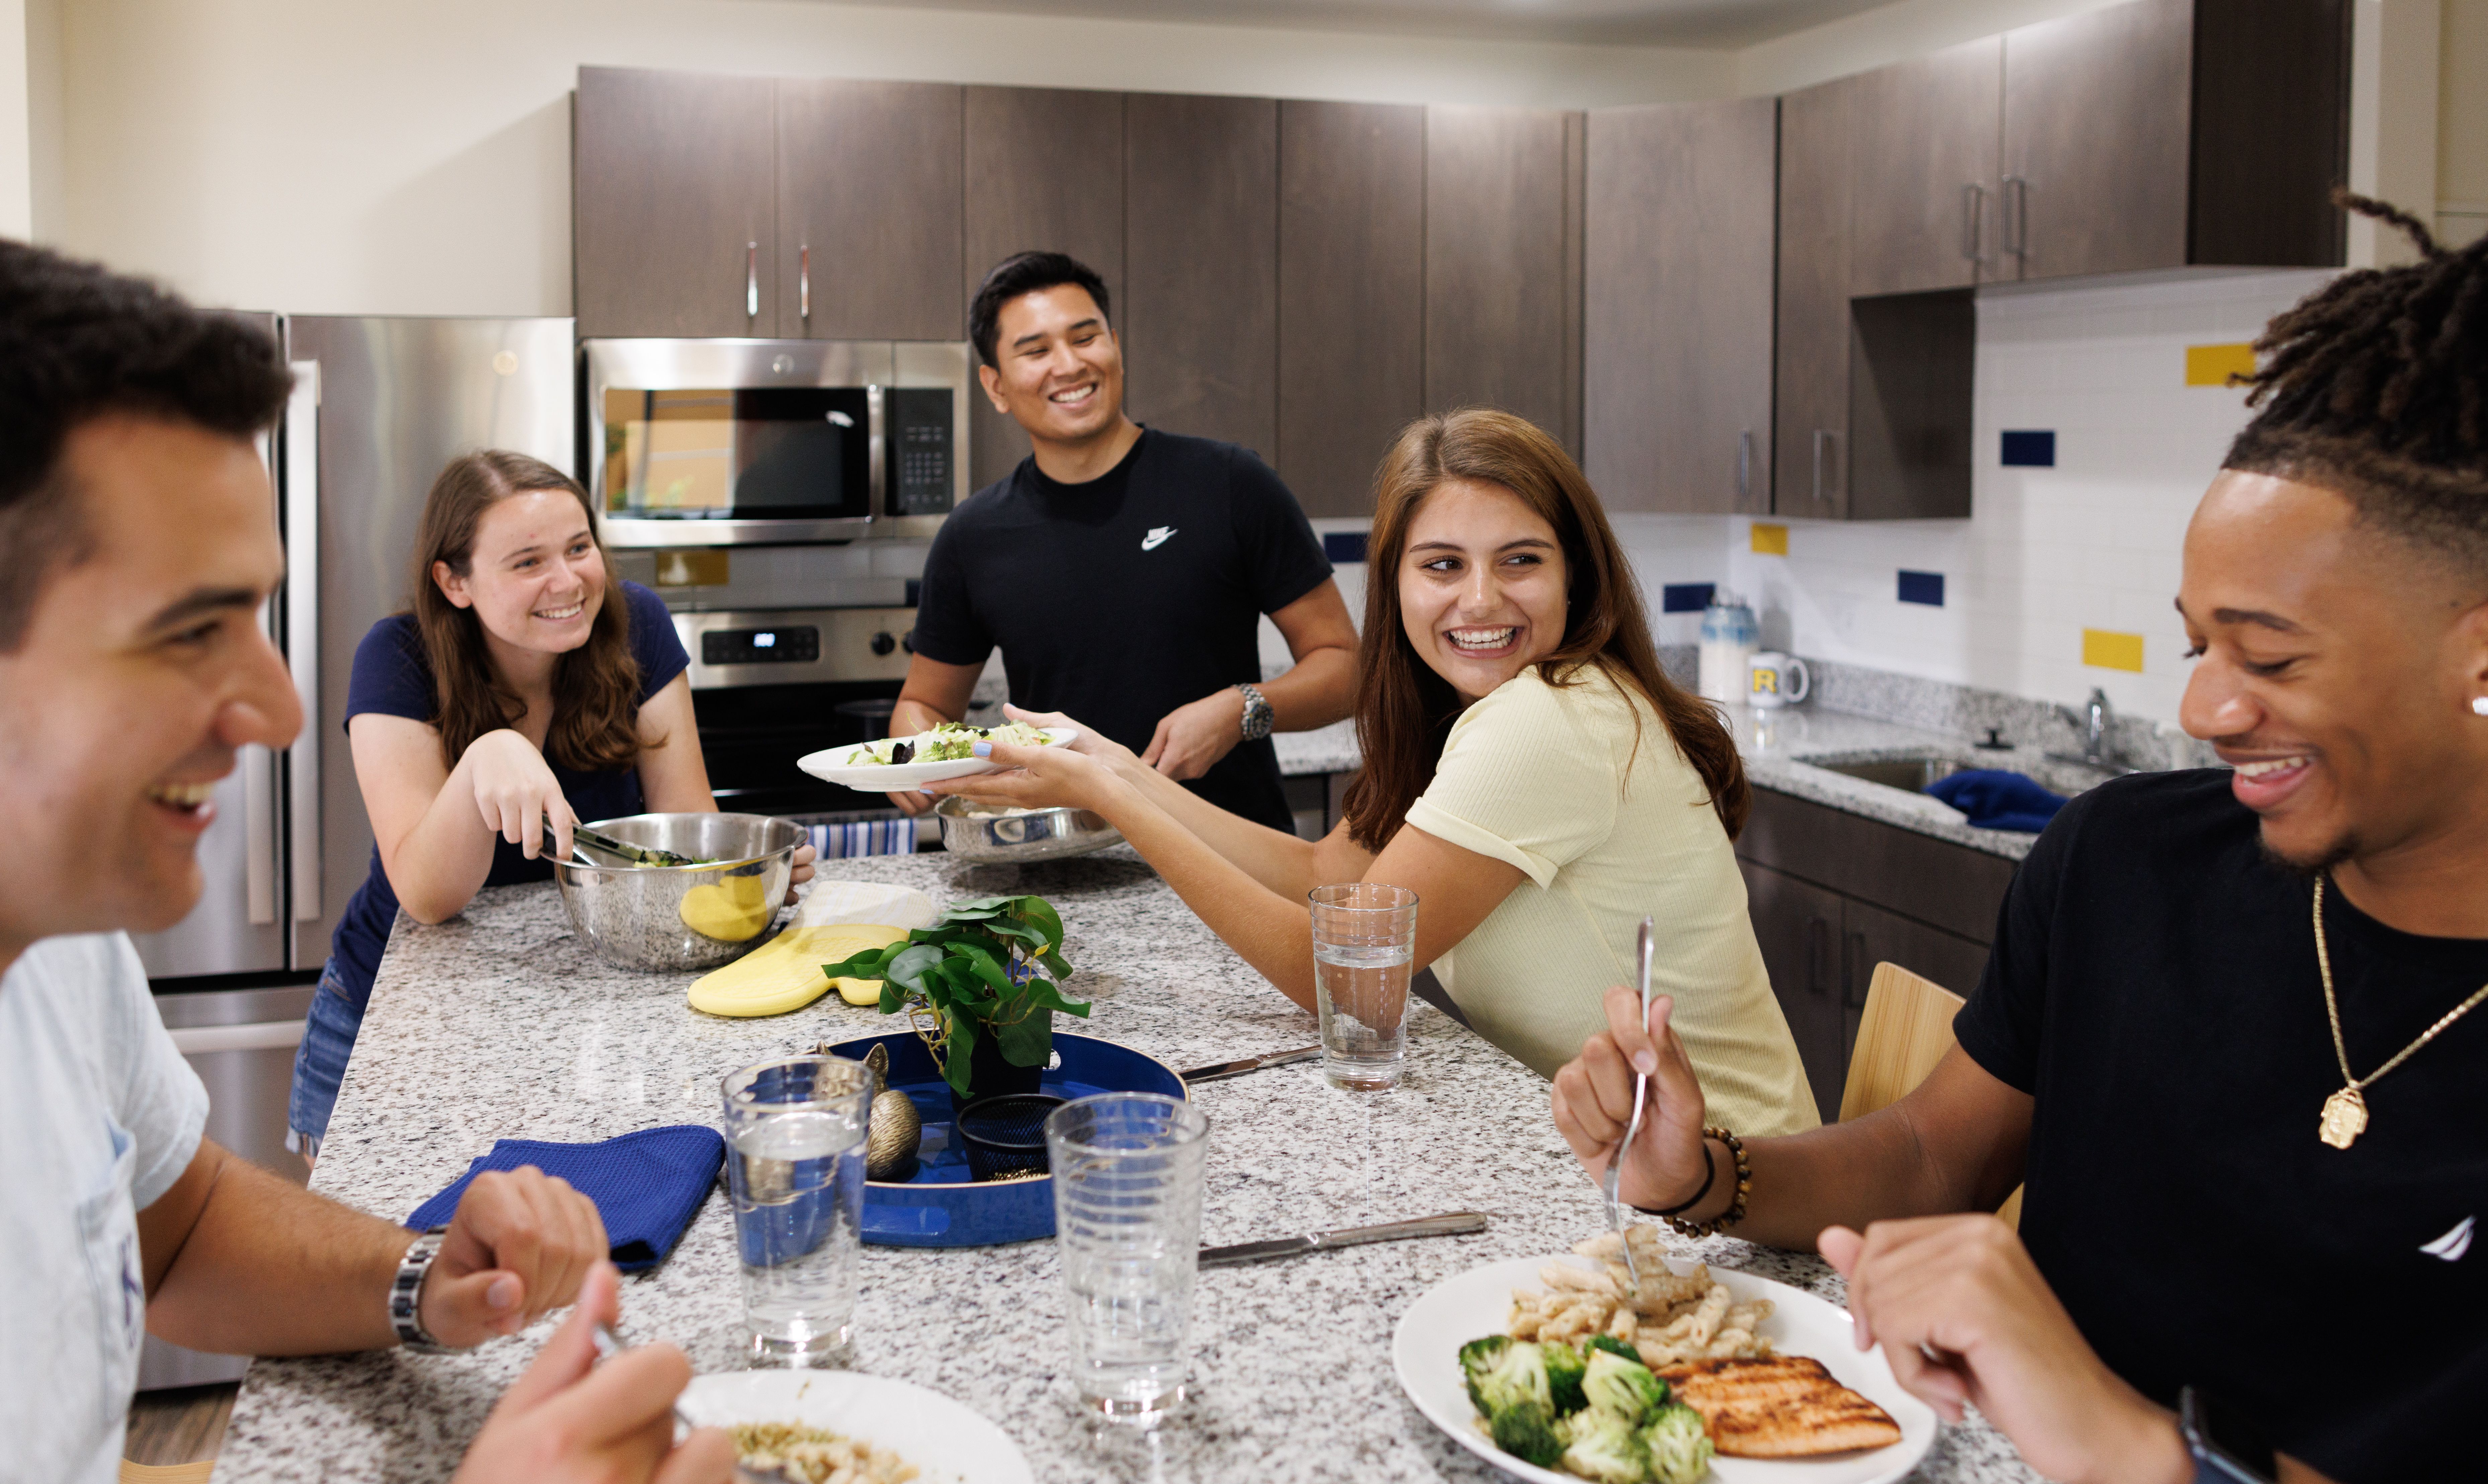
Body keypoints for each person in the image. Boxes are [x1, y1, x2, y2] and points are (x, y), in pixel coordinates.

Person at [1551, 197, 2488, 1484]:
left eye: (2267, 656)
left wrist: (2147, 1458)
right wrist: (1703, 1175)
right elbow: (1932, 1153)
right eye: (2195, 644)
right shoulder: (2123, 859)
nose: (2200, 710)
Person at [0, 241, 747, 1484]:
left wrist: (415, 1275)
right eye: (187, 631)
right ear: (455, 584)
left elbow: (186, 1224)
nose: (281, 710)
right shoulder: (404, 665)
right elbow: (422, 883)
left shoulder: (59, 957)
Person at [943, 409, 1816, 1138]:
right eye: (1442, 564)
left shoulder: (1549, 721)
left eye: (1521, 559)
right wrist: (1119, 767)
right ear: (1395, 581)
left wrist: (1109, 799)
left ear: (1574, 574)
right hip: (1609, 1153)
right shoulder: (1480, 710)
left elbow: (1340, 981)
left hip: (1718, 1192)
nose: (1479, 599)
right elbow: (1330, 876)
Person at [290, 451, 811, 1157]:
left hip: (582, 1006)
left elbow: (692, 830)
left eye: (579, 548)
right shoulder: (399, 658)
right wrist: (485, 757)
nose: (569, 581)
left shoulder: (638, 627)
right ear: (454, 582)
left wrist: (746, 873)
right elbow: (428, 896)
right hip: (399, 1020)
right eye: (528, 562)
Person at [887, 250, 1358, 832]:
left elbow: (1348, 669)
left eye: (1085, 338)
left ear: (1114, 346)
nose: (1068, 365)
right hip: (1053, 865)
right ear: (997, 386)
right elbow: (924, 706)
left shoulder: (1230, 483)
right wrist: (916, 757)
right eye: (1035, 351)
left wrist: (1240, 709)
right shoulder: (973, 536)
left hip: (1234, 854)